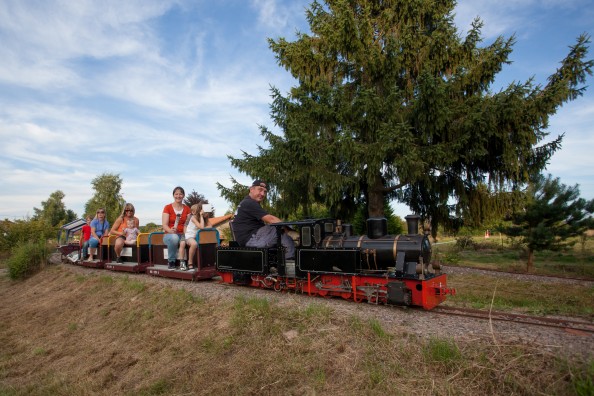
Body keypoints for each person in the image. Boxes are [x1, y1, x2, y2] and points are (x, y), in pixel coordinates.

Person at [232, 180, 295, 259]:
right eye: (260, 190)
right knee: (282, 228)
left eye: (265, 192)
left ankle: (283, 261)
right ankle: (291, 262)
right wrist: (290, 231)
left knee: (281, 229)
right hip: (251, 239)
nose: (262, 194)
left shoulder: (247, 202)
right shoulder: (249, 203)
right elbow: (271, 219)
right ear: (251, 189)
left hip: (252, 237)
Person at [183, 202, 233, 271]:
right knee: (194, 244)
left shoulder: (205, 218)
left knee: (212, 242)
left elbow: (210, 226)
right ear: (200, 211)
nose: (207, 214)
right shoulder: (193, 218)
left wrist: (203, 225)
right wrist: (201, 217)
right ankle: (190, 262)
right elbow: (201, 227)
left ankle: (214, 262)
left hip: (199, 236)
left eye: (208, 212)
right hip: (190, 236)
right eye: (206, 212)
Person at [162, 186, 191, 270]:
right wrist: (170, 231)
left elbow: (189, 223)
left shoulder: (187, 209)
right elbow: (164, 225)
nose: (178, 196)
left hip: (183, 234)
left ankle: (191, 263)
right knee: (174, 238)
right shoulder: (167, 207)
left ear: (183, 195)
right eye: (176, 194)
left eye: (180, 194)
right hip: (169, 235)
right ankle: (171, 261)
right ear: (173, 195)